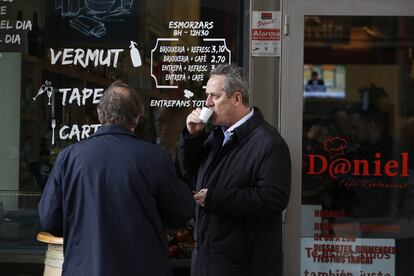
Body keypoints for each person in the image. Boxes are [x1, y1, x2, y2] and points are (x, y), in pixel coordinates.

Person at [38, 81, 195, 276]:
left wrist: (84, 232)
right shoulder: (155, 158)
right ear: (137, 118)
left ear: (99, 112)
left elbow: (49, 220)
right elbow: (181, 213)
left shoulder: (69, 157)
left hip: (85, 268)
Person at [177, 64, 291, 276]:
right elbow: (189, 175)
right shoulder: (217, 135)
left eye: (215, 96)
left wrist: (216, 198)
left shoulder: (269, 143)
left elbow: (274, 197)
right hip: (207, 259)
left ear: (237, 99)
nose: (207, 103)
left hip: (244, 265)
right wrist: (193, 137)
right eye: (207, 96)